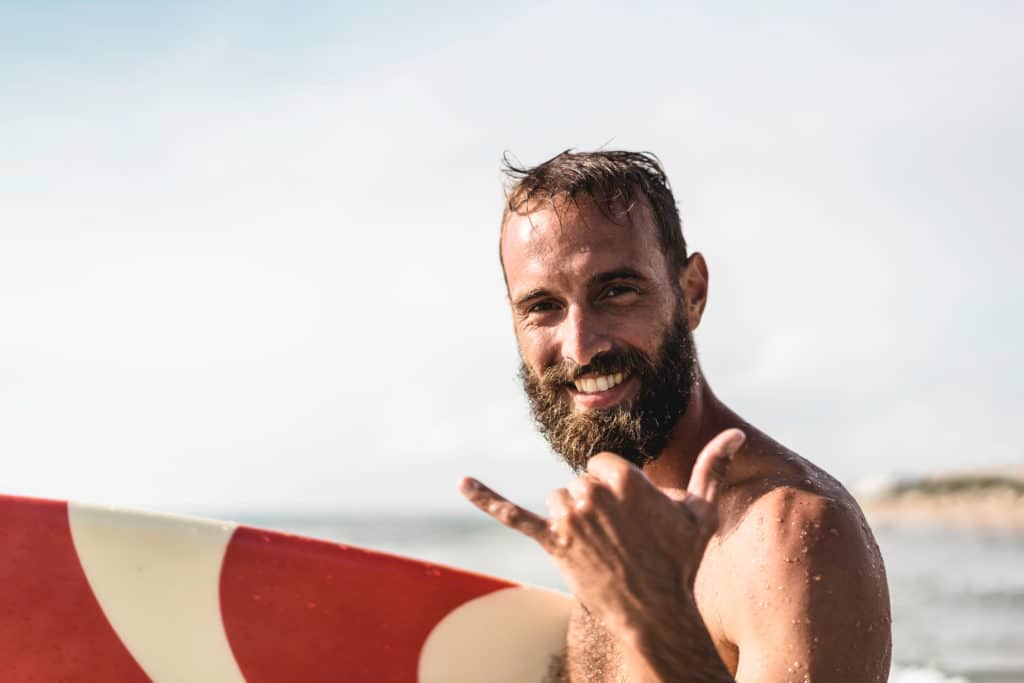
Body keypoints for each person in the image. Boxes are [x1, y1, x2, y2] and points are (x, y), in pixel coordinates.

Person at [459, 150, 892, 682]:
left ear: (691, 294)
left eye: (616, 292)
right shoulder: (612, 522)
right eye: (543, 306)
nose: (580, 347)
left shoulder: (789, 534)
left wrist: (655, 617)